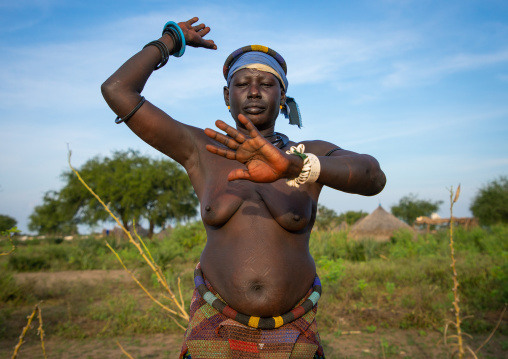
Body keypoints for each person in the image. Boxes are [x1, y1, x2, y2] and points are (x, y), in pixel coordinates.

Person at [102, 17, 386, 359]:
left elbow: (373, 176)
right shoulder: (200, 149)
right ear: (227, 94)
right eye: (242, 83)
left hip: (294, 332)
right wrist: (169, 41)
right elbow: (117, 90)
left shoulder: (309, 152)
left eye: (267, 83)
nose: (254, 91)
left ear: (282, 97)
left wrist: (296, 166)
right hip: (214, 326)